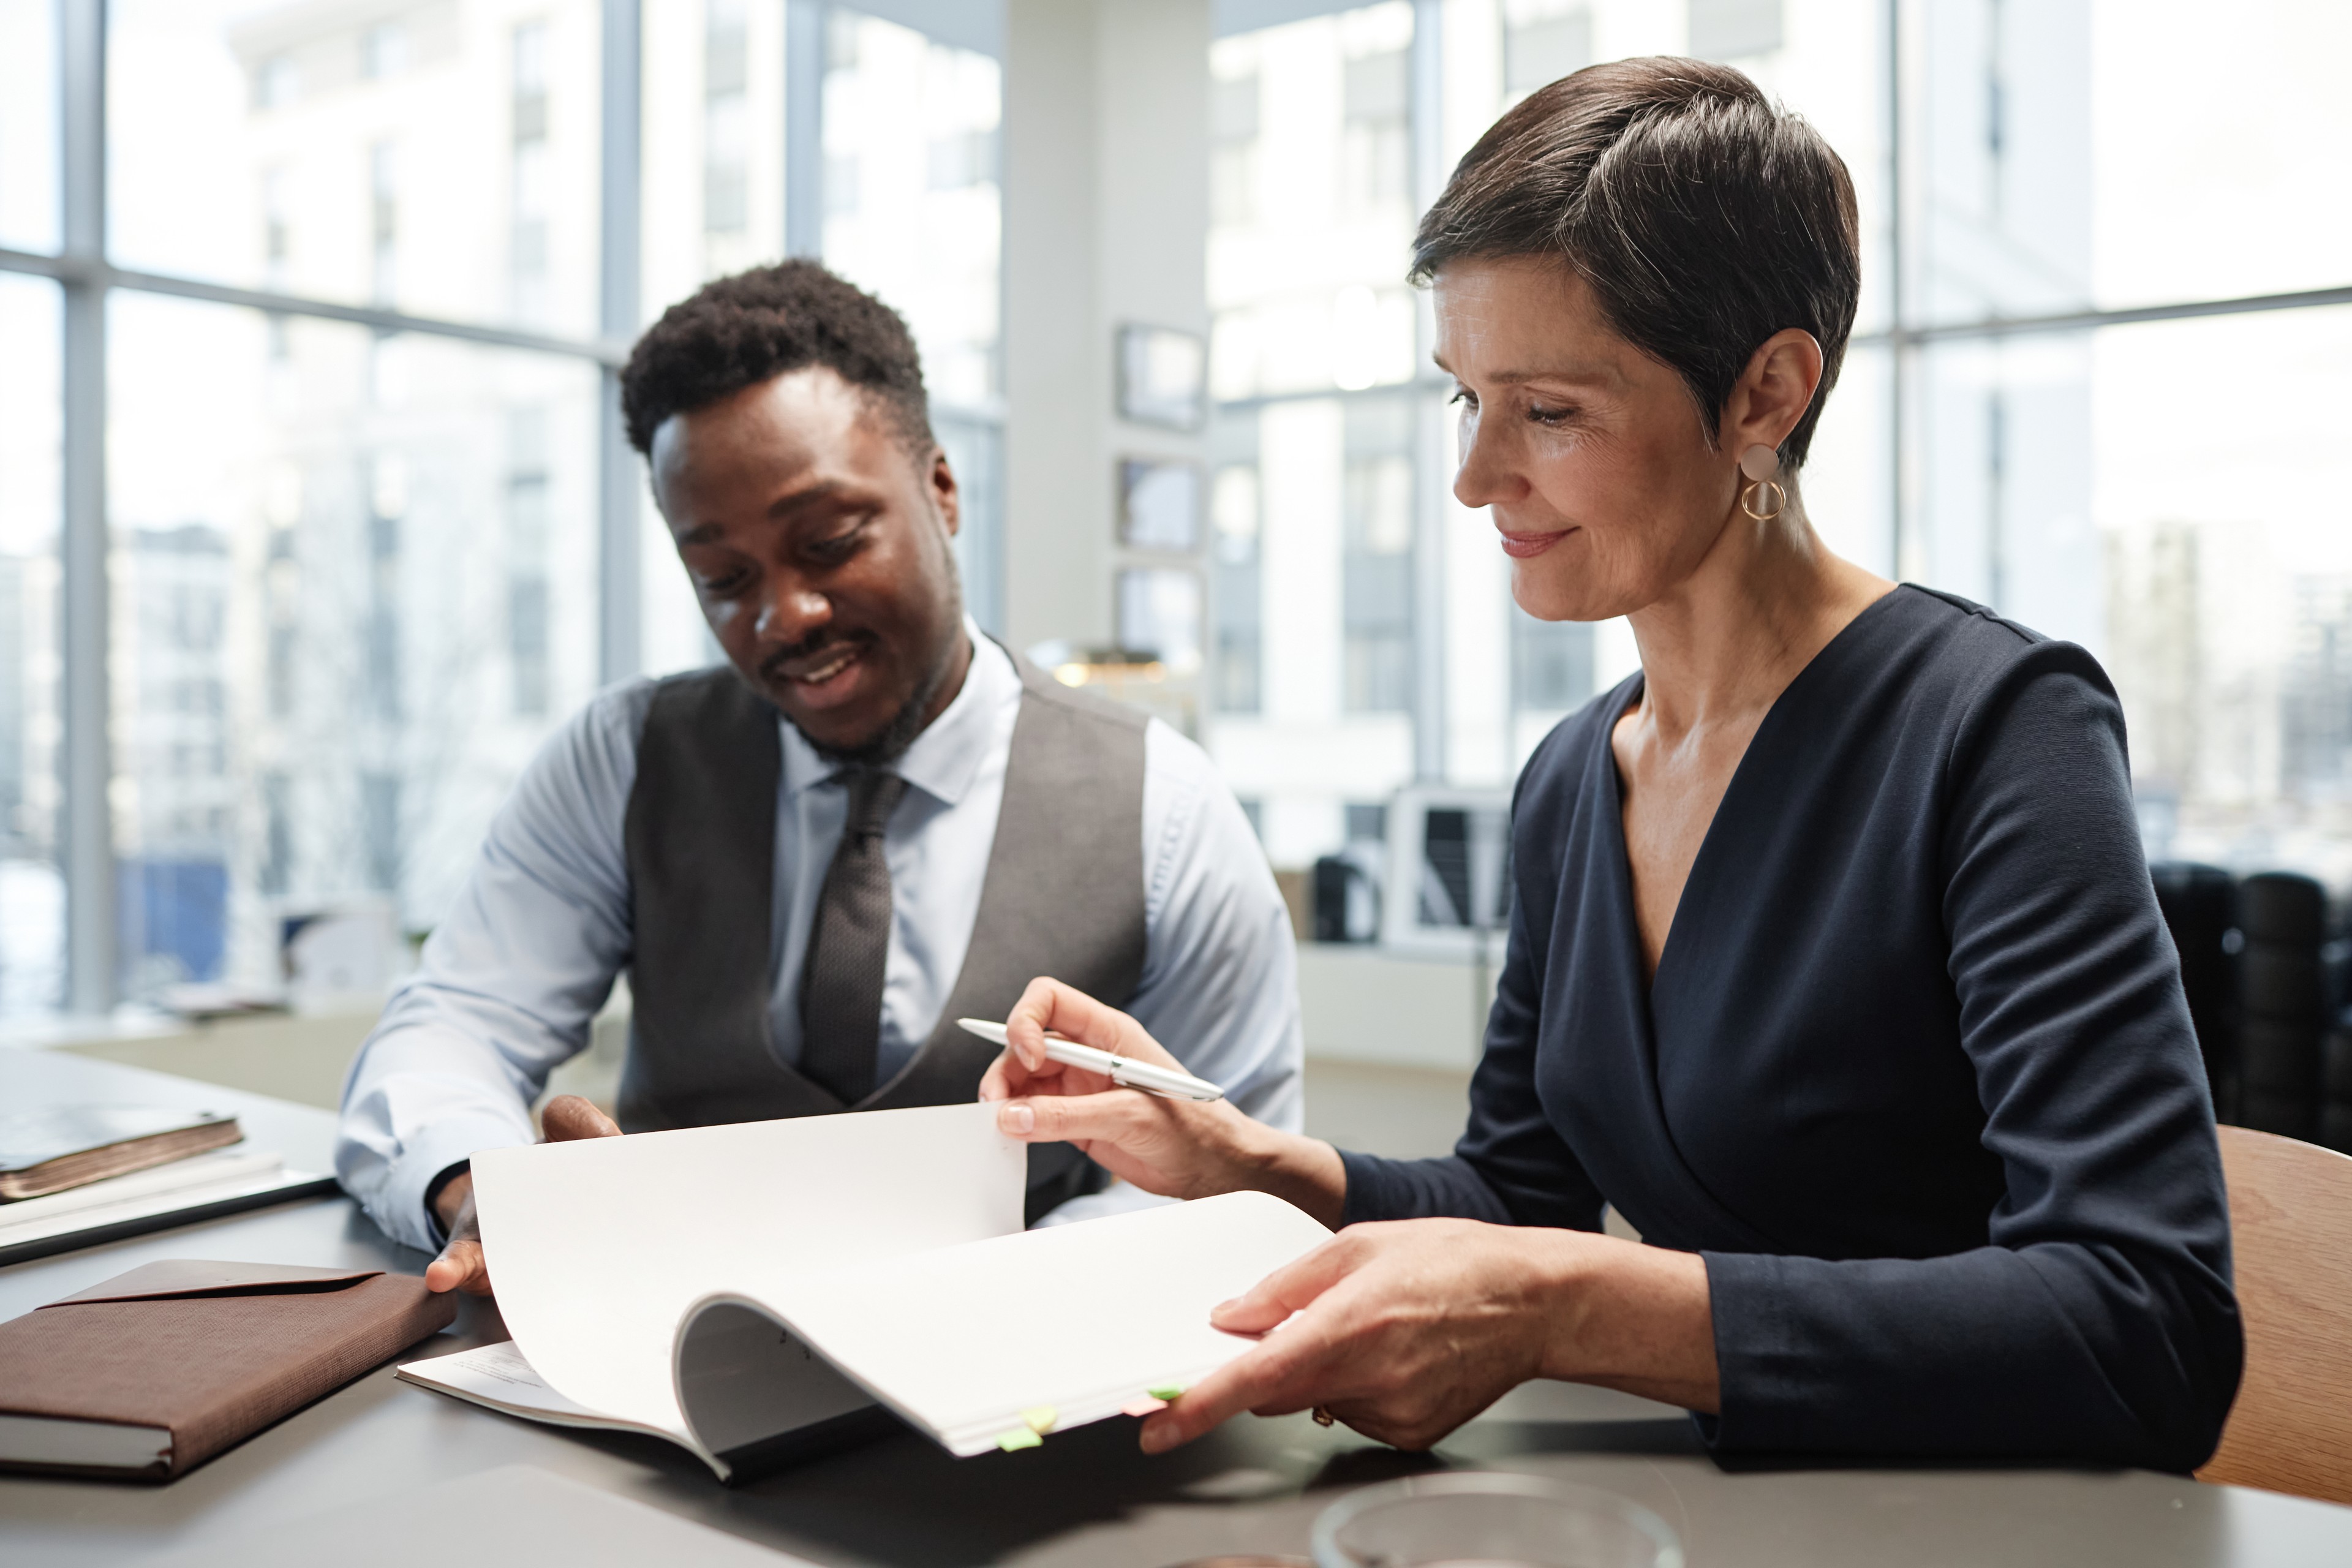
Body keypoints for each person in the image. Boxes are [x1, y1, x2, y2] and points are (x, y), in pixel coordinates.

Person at [982, 58, 2241, 1471]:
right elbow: (1520, 1197)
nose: (1475, 476)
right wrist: (1244, 1158)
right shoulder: (1576, 779)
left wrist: (1569, 1306)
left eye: (1551, 412)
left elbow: (2150, 1323)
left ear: (1766, 392)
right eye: (1465, 398)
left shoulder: (1998, 728)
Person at [336, 261, 1303, 1293]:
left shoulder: (1167, 807)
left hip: (1029, 1400)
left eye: (831, 542)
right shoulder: (621, 759)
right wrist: (489, 1191)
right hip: (663, 1377)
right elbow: (452, 1029)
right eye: (726, 579)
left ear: (942, 488)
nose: (783, 617)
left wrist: (955, 1306)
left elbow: (1236, 1171)